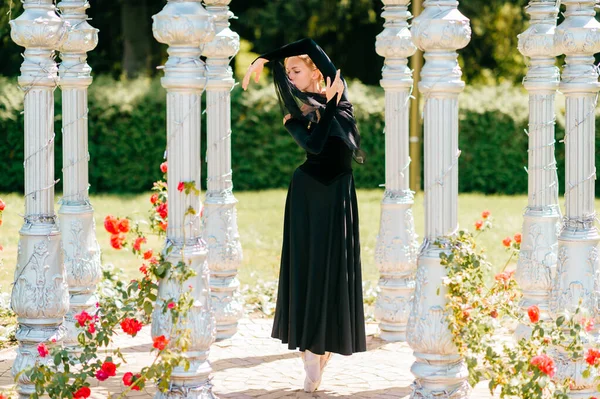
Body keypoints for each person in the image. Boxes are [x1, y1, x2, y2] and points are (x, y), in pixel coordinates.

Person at [243, 38, 366, 393]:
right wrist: (328, 105)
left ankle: (323, 345)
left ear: (315, 70)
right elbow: (315, 145)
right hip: (308, 195)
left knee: (333, 268)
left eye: (296, 70)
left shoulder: (336, 91)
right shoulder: (297, 115)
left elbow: (309, 43)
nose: (292, 78)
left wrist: (265, 58)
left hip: (339, 193)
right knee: (309, 268)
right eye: (288, 73)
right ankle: (311, 350)